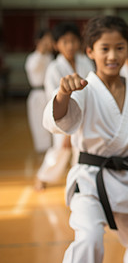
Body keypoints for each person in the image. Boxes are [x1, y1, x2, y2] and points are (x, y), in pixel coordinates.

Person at [42, 15, 128, 263]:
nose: (112, 56)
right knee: (89, 239)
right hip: (91, 180)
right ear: (90, 51)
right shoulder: (83, 90)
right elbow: (59, 121)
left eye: (119, 48)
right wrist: (62, 94)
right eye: (105, 49)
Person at [35, 22, 95, 191]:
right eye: (65, 42)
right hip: (63, 116)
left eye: (73, 41)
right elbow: (53, 99)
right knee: (60, 151)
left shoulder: (85, 62)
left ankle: (80, 182)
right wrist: (68, 130)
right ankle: (43, 176)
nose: (70, 46)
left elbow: (91, 89)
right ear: (56, 45)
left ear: (79, 43)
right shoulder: (54, 68)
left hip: (84, 114)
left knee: (82, 151)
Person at [25, 29, 54, 153]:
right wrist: (41, 49)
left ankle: (53, 150)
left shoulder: (50, 57)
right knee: (40, 124)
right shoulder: (33, 58)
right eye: (47, 39)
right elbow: (33, 67)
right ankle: (43, 150)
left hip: (50, 93)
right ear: (39, 41)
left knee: (52, 124)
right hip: (38, 94)